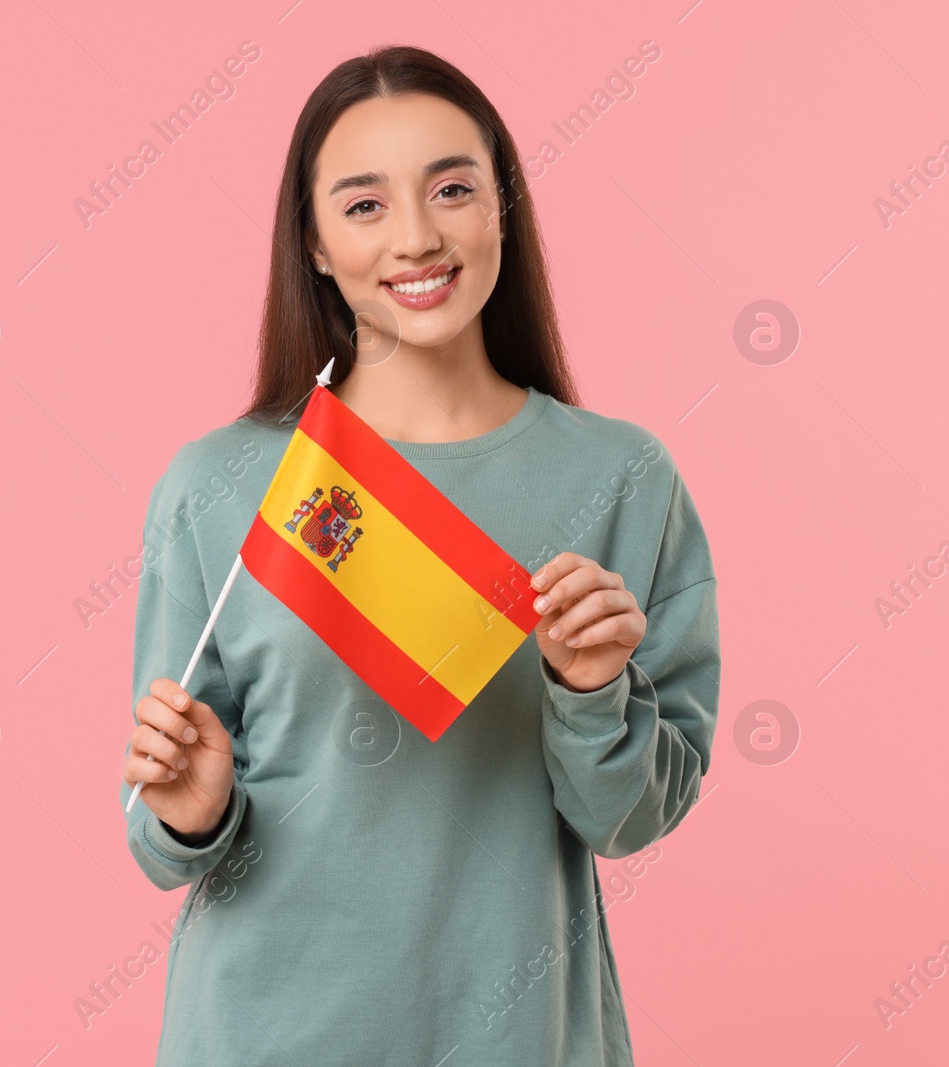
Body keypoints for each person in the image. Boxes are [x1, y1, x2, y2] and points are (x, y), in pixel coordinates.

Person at [116, 43, 721, 1066]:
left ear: (501, 209)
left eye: (451, 188)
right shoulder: (224, 486)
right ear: (310, 242)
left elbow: (629, 818)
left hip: (523, 1031)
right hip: (260, 1031)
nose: (415, 235)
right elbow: (156, 833)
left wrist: (590, 686)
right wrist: (189, 809)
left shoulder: (622, 477)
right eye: (362, 204)